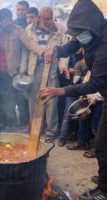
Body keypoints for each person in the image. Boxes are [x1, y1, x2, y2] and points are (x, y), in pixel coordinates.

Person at [40, 0, 107, 200]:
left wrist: (61, 90)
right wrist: (57, 50)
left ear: (91, 28)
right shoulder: (91, 32)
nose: (78, 37)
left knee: (103, 142)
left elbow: (94, 84)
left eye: (80, 33)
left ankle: (105, 190)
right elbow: (74, 43)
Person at [0, 8, 47, 130]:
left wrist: (43, 53)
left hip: (12, 72)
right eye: (6, 20)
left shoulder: (17, 30)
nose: (9, 22)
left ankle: (13, 125)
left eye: (10, 19)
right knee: (0, 98)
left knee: (12, 99)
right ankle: (3, 124)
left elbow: (29, 43)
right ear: (0, 21)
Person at [20, 7, 69, 142]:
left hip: (52, 69)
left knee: (51, 102)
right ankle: (36, 129)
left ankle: (51, 132)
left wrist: (63, 66)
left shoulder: (59, 29)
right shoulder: (29, 29)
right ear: (39, 18)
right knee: (34, 101)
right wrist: (23, 70)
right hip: (34, 68)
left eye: (51, 18)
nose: (49, 21)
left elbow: (64, 51)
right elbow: (25, 51)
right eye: (46, 18)